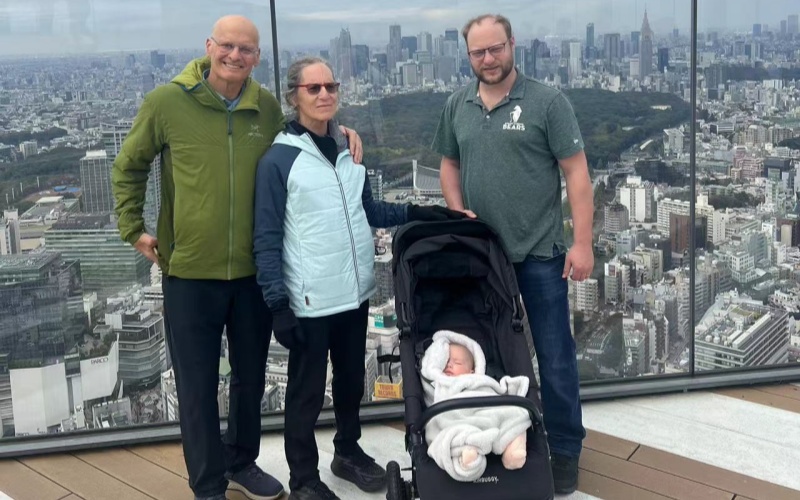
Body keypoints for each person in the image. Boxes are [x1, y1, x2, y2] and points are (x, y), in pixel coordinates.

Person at [112, 16, 364, 500]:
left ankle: (241, 461)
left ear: (257, 57)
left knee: (250, 378)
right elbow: (129, 165)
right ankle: (208, 485)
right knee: (197, 386)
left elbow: (302, 136)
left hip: (250, 274)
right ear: (209, 46)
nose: (235, 56)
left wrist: (341, 130)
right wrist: (132, 228)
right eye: (227, 46)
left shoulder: (264, 107)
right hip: (189, 273)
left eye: (246, 49)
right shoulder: (167, 102)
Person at [253, 56, 465, 500]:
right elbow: (266, 238)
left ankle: (347, 452)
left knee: (351, 383)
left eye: (330, 86)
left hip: (354, 293)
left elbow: (369, 210)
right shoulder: (278, 160)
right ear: (294, 97)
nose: (324, 94)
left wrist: (422, 212)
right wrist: (277, 305)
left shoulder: (349, 151)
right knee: (306, 394)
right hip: (310, 300)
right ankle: (303, 479)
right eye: (313, 88)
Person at [431, 13, 594, 494]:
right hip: (482, 257)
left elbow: (577, 173)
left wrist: (582, 242)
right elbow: (448, 164)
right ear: (468, 55)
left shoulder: (547, 101)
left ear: (512, 44)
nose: (489, 59)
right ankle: (502, 437)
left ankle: (565, 447)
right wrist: (457, 211)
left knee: (555, 356)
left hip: (540, 252)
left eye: (496, 48)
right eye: (478, 52)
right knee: (490, 355)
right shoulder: (457, 103)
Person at [420, 330, 530, 482]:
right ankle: (468, 461)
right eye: (445, 361)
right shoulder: (438, 386)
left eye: (457, 363)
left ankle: (513, 450)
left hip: (485, 410)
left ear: (472, 370)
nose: (449, 365)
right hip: (456, 418)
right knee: (447, 436)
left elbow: (495, 392)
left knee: (515, 416)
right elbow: (430, 399)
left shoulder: (479, 380)